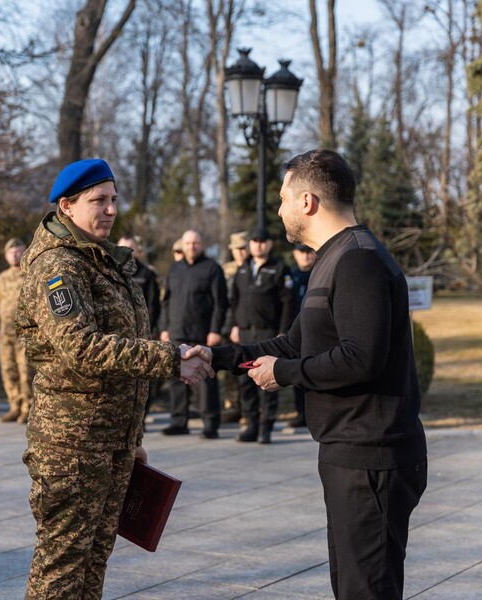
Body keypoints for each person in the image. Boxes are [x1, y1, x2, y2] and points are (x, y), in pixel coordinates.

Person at [189, 149, 428, 600]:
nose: (278, 209)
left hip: (372, 456)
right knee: (351, 586)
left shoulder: (359, 259)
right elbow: (293, 344)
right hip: (347, 453)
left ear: (307, 201)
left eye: (283, 198)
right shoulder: (332, 258)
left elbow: (362, 357)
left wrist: (286, 373)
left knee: (367, 591)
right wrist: (217, 357)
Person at [16, 158, 211, 600]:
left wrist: (129, 436)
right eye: (98, 200)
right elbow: (83, 347)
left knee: (92, 561)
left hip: (108, 440)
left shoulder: (102, 261)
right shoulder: (58, 267)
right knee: (61, 569)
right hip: (72, 445)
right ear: (66, 206)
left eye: (114, 200)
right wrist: (170, 359)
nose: (110, 210)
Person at [226, 227, 294, 443]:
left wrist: (283, 332)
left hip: (268, 334)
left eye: (263, 241)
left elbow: (288, 304)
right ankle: (251, 426)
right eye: (254, 241)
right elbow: (234, 301)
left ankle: (266, 428)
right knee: (246, 382)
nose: (258, 245)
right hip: (245, 332)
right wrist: (234, 325)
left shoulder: (279, 269)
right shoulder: (243, 269)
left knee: (268, 382)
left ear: (269, 244)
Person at [159, 230, 227, 439]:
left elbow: (220, 303)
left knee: (206, 381)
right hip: (177, 333)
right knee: (177, 379)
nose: (191, 246)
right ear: (183, 245)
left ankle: (210, 424)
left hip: (202, 334)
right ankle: (179, 421)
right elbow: (167, 301)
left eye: (195, 243)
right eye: (188, 243)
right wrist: (164, 327)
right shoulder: (175, 269)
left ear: (202, 245)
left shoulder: (212, 269)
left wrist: (215, 330)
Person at [116, 235, 161, 425]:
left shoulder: (147, 274)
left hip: (142, 333)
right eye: (123, 248)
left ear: (138, 251)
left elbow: (154, 304)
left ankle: (139, 418)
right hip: (117, 335)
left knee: (142, 376)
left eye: (131, 249)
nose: (127, 252)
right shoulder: (110, 271)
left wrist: (151, 329)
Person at [0, 238, 33, 424]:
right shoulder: (2, 277)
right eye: (11, 252)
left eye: (18, 250)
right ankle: (14, 406)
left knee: (25, 372)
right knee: (8, 370)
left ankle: (27, 408)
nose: (14, 254)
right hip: (5, 332)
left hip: (25, 333)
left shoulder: (30, 273)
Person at [286, 243, 316, 429]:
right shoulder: (289, 276)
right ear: (295, 254)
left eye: (309, 252)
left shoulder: (322, 272)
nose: (305, 256)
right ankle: (301, 413)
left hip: (317, 332)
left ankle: (314, 413)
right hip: (295, 333)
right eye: (301, 252)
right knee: (298, 374)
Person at [221, 231, 249, 423]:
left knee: (247, 366)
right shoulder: (225, 270)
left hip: (245, 324)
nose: (240, 252)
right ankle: (232, 405)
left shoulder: (252, 268)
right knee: (229, 370)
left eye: (243, 248)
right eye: (236, 249)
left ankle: (249, 409)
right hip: (226, 322)